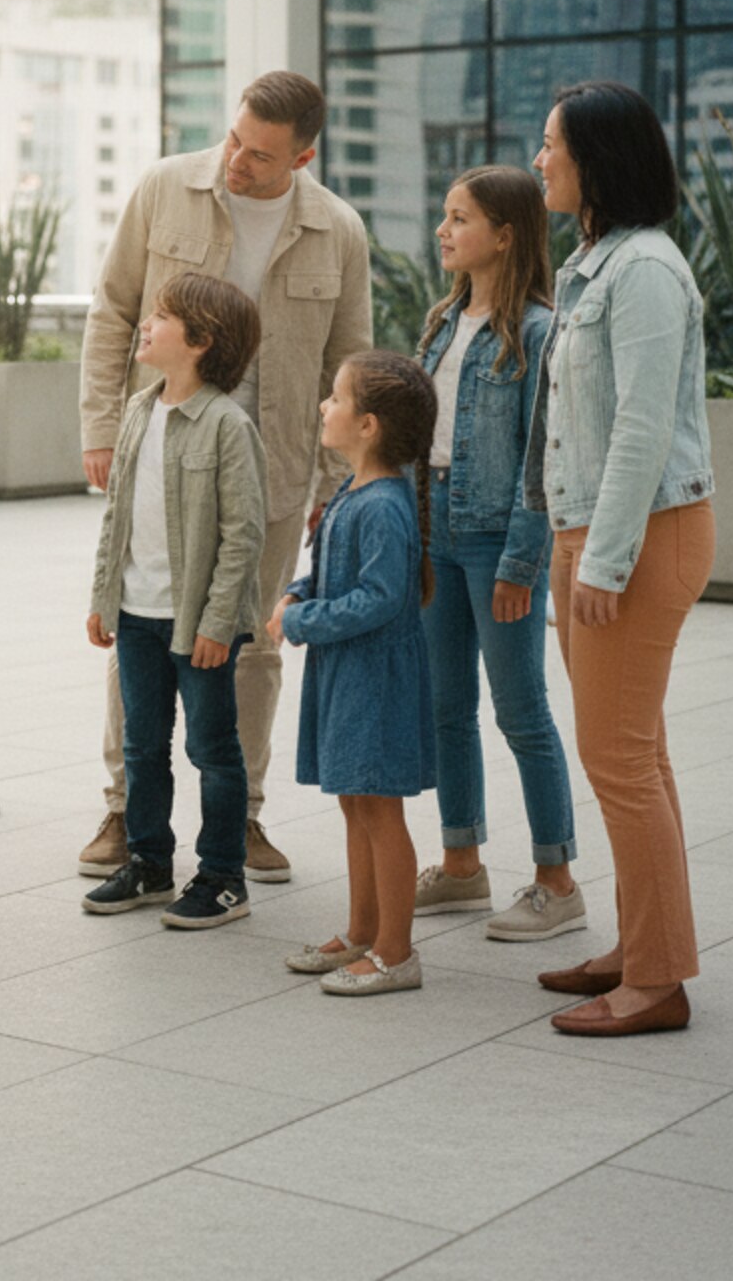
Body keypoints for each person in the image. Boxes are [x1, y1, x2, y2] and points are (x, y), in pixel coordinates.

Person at [79, 71, 372, 887]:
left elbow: (350, 357)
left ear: (303, 156)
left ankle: (237, 817)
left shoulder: (338, 229)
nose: (237, 160)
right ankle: (124, 808)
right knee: (140, 624)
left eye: (261, 154)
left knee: (249, 645)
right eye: (235, 138)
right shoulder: (165, 188)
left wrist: (339, 480)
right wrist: (103, 427)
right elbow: (111, 308)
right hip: (159, 449)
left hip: (272, 462)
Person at [527, 81, 716, 1036]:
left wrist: (601, 563)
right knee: (636, 754)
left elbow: (643, 427)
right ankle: (644, 947)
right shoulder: (592, 263)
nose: (539, 157)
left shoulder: (644, 269)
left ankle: (657, 983)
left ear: (598, 157)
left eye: (552, 143)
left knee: (618, 760)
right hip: (592, 532)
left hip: (636, 539)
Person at [413, 168, 585, 943]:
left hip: (494, 535)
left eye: (460, 218)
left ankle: (557, 880)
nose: (443, 230)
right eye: (445, 217)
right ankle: (461, 866)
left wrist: (522, 561)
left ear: (506, 234)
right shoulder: (444, 321)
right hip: (437, 531)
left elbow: (541, 460)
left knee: (522, 711)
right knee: (447, 709)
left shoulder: (542, 331)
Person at [81, 274, 268, 930]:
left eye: (161, 317)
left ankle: (222, 877)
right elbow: (118, 517)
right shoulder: (138, 410)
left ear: (200, 342)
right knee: (142, 747)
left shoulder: (226, 424)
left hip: (199, 625)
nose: (147, 325)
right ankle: (149, 862)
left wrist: (219, 622)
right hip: (136, 616)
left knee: (213, 751)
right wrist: (105, 596)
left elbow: (244, 536)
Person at [271, 351, 437, 996]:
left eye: (336, 399)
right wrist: (296, 591)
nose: (323, 406)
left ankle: (397, 952)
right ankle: (363, 931)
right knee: (354, 803)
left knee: (379, 810)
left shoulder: (383, 504)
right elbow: (332, 570)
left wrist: (305, 620)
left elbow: (380, 597)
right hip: (348, 674)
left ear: (368, 425)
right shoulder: (355, 492)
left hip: (376, 679)